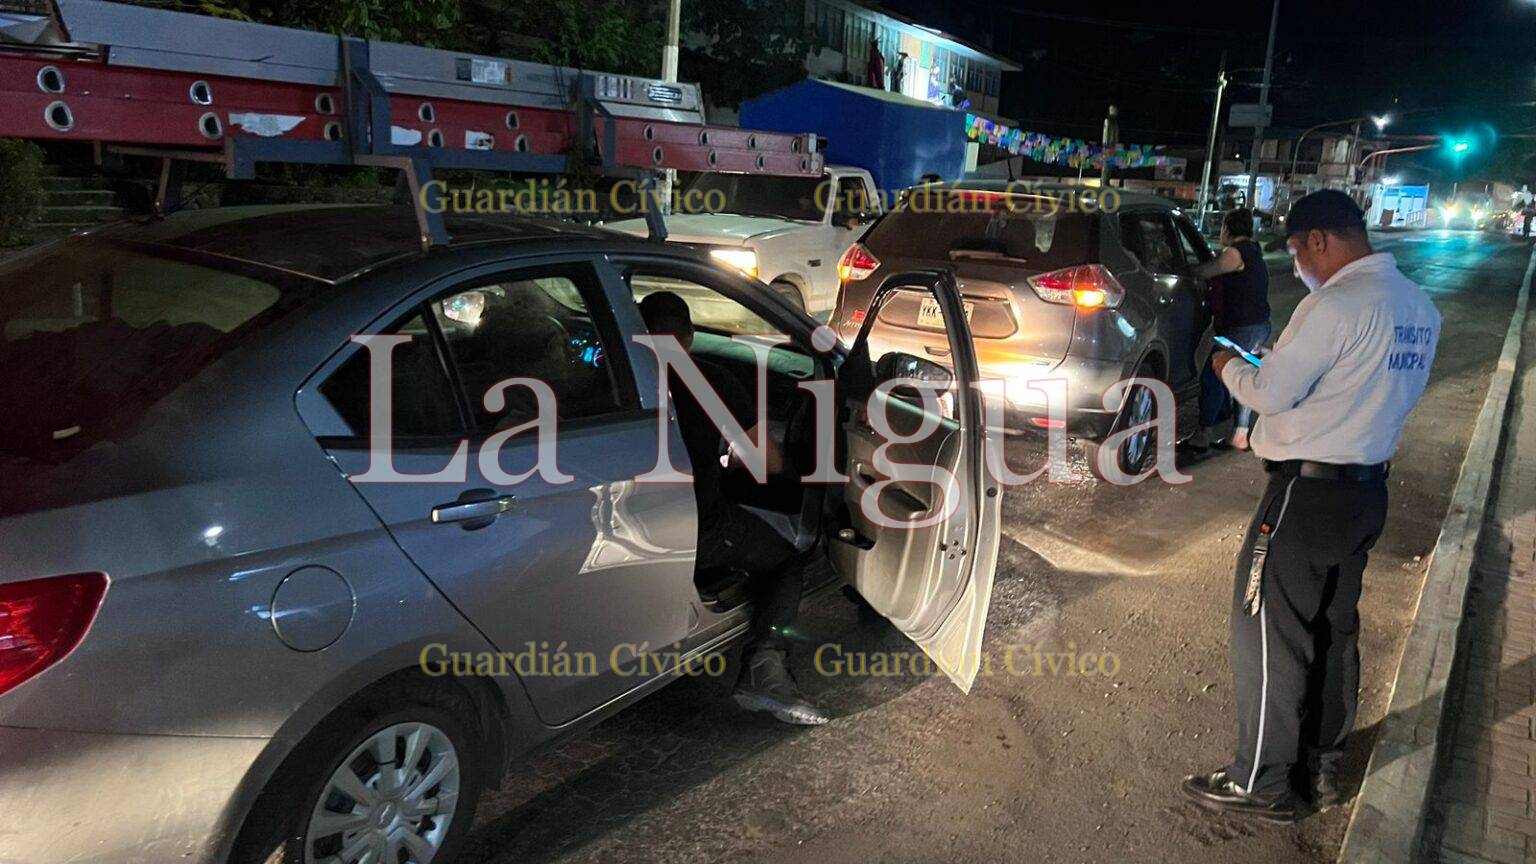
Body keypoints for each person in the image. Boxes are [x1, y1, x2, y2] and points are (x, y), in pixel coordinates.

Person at [1181, 190, 1441, 822]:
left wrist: (1222, 364)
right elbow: (1355, 384)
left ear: (1320, 240)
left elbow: (1269, 393)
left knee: (1267, 633)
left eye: (1299, 250)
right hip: (1365, 491)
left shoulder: (1335, 304)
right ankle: (1320, 768)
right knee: (1333, 631)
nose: (1299, 262)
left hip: (1304, 495)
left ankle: (1260, 782)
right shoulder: (1419, 308)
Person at [638, 291, 829, 726]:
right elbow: (767, 461)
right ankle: (764, 671)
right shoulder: (711, 381)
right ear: (687, 339)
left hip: (626, 524)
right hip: (695, 528)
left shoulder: (610, 379)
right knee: (786, 560)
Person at [1182, 208, 1272, 453]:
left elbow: (1206, 271)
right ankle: (1240, 433)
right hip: (1258, 325)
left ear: (1228, 230)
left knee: (1214, 374)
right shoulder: (1254, 251)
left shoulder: (1235, 253)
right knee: (1243, 374)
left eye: (1222, 227)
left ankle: (1204, 434)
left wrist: (1184, 270)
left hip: (1241, 329)